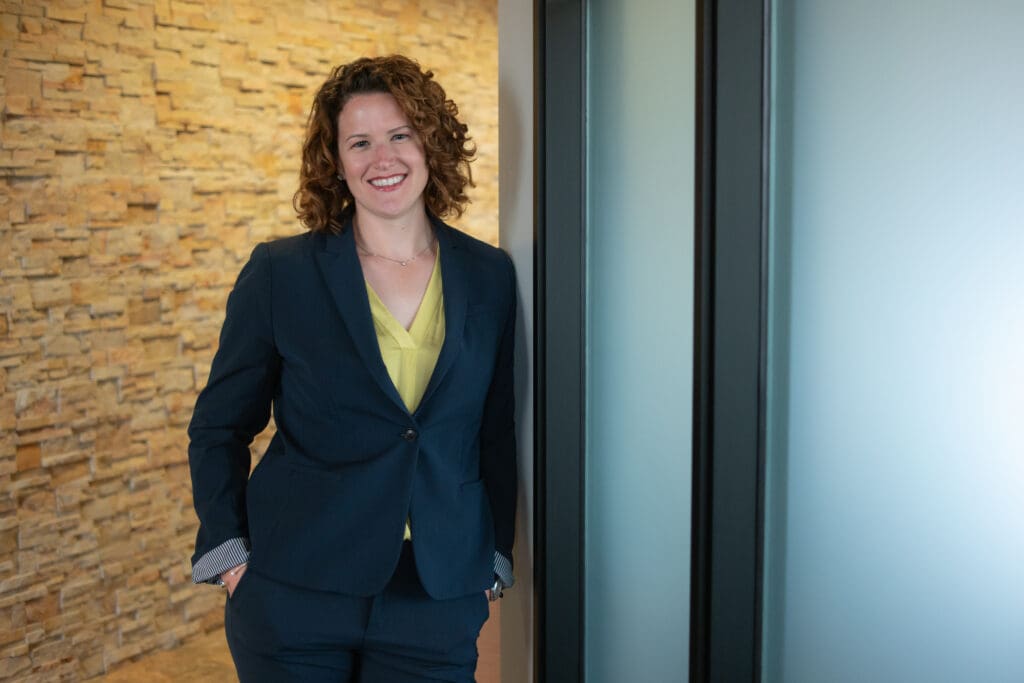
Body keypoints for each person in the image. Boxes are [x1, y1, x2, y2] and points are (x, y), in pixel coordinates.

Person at [187, 54, 517, 682]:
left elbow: (496, 432)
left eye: (400, 135)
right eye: (359, 142)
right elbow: (219, 425)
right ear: (336, 161)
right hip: (294, 587)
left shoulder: (490, 275)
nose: (382, 158)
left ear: (430, 144)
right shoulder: (281, 273)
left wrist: (495, 554)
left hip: (435, 595)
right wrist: (229, 553)